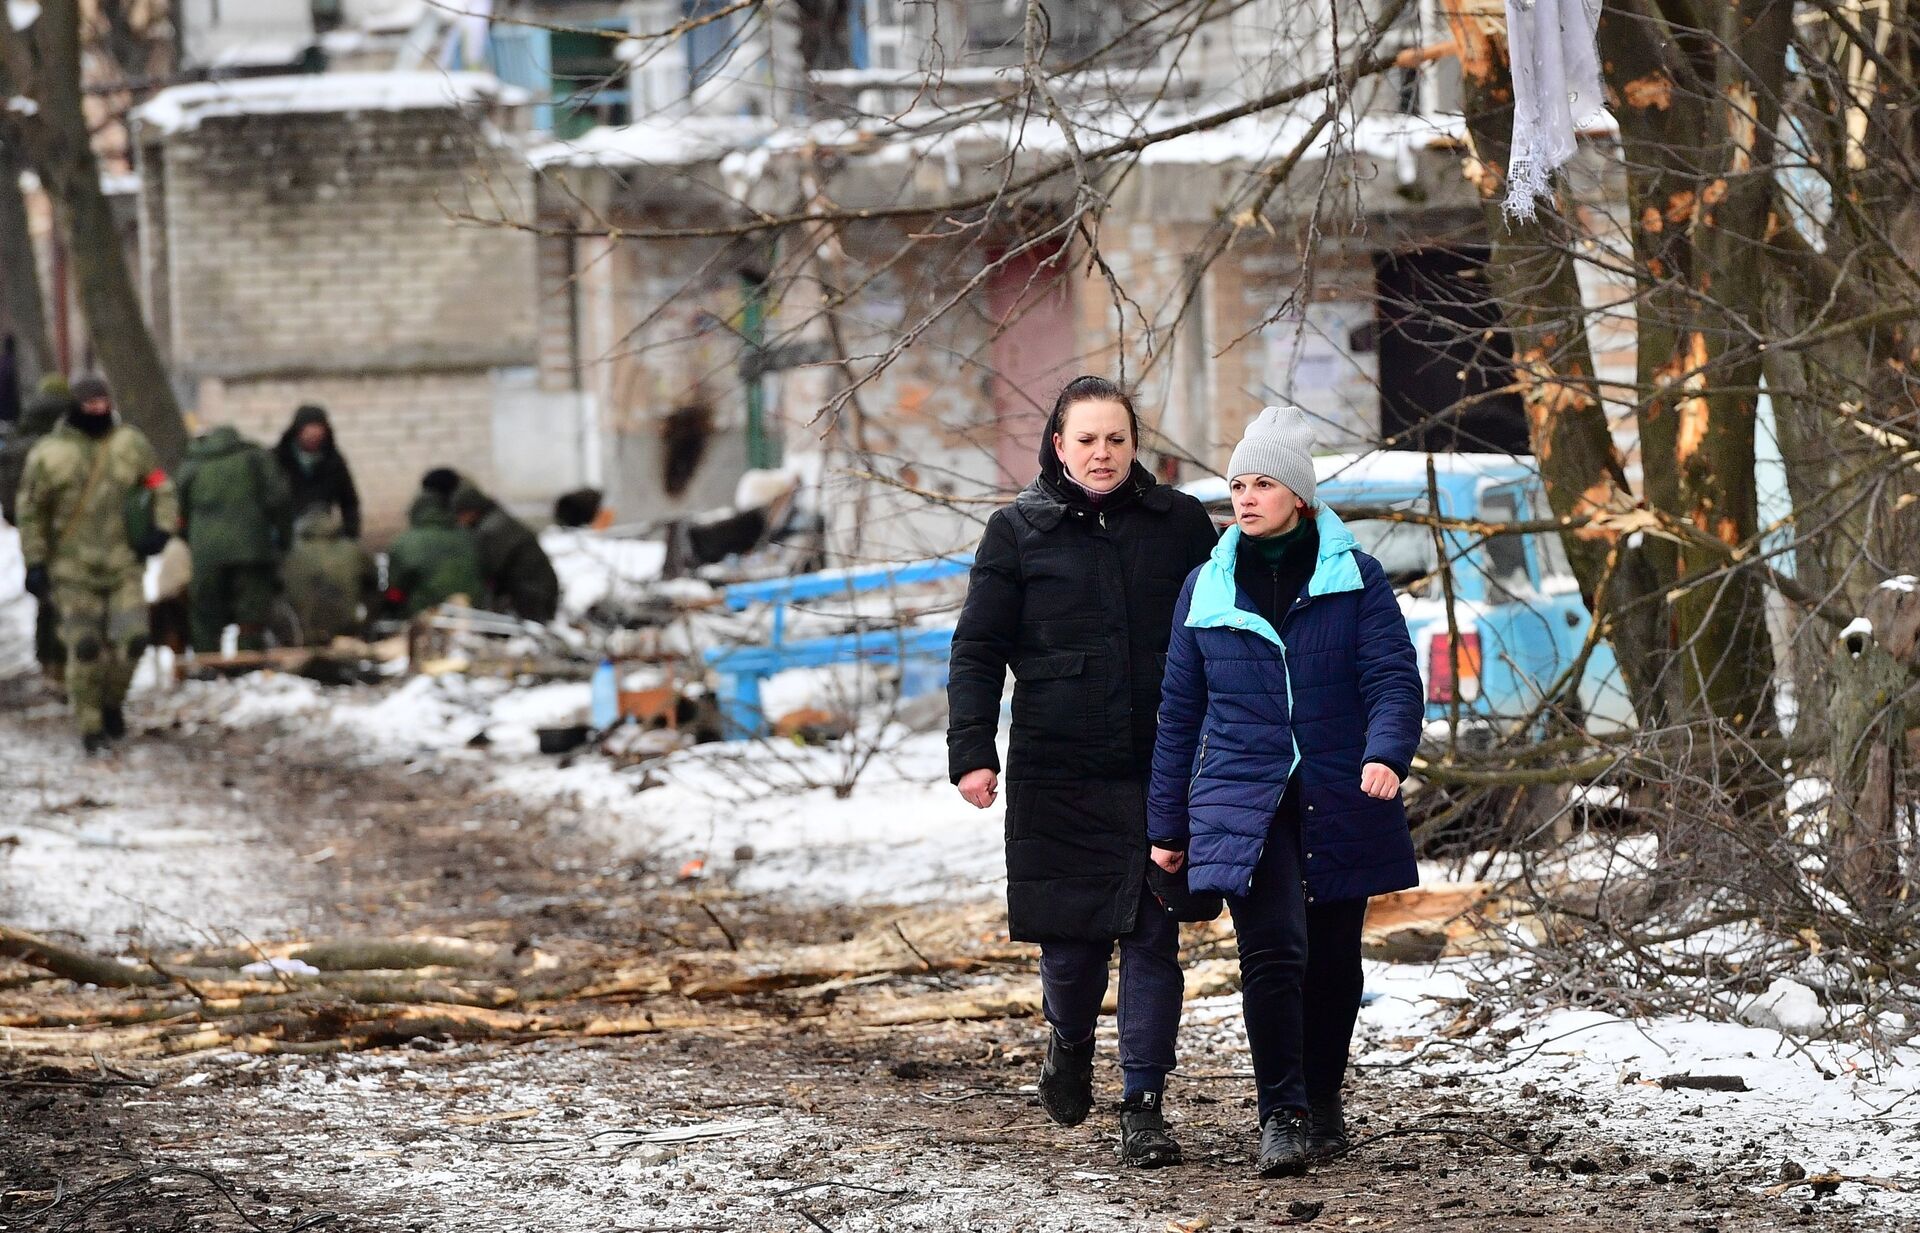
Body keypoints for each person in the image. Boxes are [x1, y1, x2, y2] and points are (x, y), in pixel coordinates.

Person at [947, 375, 1217, 1168]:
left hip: (1160, 765)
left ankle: (1144, 1102)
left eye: (1117, 439)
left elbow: (1220, 628)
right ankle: (1068, 1040)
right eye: (1087, 439)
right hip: (1056, 768)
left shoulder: (1181, 524)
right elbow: (977, 649)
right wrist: (970, 750)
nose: (1103, 453)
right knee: (1070, 946)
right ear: (1058, 445)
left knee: (1152, 936)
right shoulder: (1016, 530)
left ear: (1137, 447)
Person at [1147, 405, 1423, 1178]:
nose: (1245, 495)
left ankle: (1325, 1100)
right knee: (1273, 950)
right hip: (1243, 799)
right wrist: (1166, 823)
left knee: (1335, 961)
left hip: (1341, 790)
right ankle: (1283, 1113)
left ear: (1298, 494)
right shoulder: (1207, 587)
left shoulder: (1355, 576)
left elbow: (1393, 678)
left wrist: (1386, 752)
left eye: (1262, 481)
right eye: (1237, 482)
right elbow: (1180, 713)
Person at [15, 375, 178, 751]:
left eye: (103, 402)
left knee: (134, 638)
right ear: (75, 406)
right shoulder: (48, 454)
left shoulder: (130, 445)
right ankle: (90, 726)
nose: (99, 410)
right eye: (90, 403)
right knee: (85, 647)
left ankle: (111, 704)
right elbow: (32, 512)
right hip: (71, 570)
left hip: (123, 563)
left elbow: (160, 486)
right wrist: (35, 561)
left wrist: (162, 527)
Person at [176, 423, 293, 654]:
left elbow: (180, 510)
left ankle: (207, 662)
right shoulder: (255, 457)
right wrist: (284, 538)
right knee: (251, 609)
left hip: (206, 549)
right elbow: (278, 498)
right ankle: (248, 661)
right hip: (252, 546)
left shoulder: (193, 462)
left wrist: (190, 540)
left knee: (205, 609)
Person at [0, 375, 76, 685]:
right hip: (63, 519)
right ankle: (61, 660)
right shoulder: (67, 430)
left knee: (44, 588)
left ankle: (46, 659)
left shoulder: (24, 430)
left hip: (27, 518)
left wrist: (13, 512)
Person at [437, 471, 560, 622]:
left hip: (530, 594)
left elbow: (486, 569)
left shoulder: (492, 529)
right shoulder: (495, 519)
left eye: (461, 515)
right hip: (534, 589)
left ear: (471, 511)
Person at [383, 480, 484, 618]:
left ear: (415, 512)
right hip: (474, 614)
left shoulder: (405, 543)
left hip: (427, 618)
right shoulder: (468, 536)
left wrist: (390, 610)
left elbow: (395, 592)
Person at [282, 507, 378, 645]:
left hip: (302, 634)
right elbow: (374, 587)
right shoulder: (353, 551)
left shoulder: (291, 554)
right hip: (347, 632)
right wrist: (366, 623)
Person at [273, 403, 361, 538]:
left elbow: (349, 502)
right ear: (298, 431)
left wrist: (350, 535)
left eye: (318, 433)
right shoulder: (277, 459)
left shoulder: (334, 462)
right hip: (286, 536)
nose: (313, 437)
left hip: (322, 535)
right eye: (309, 431)